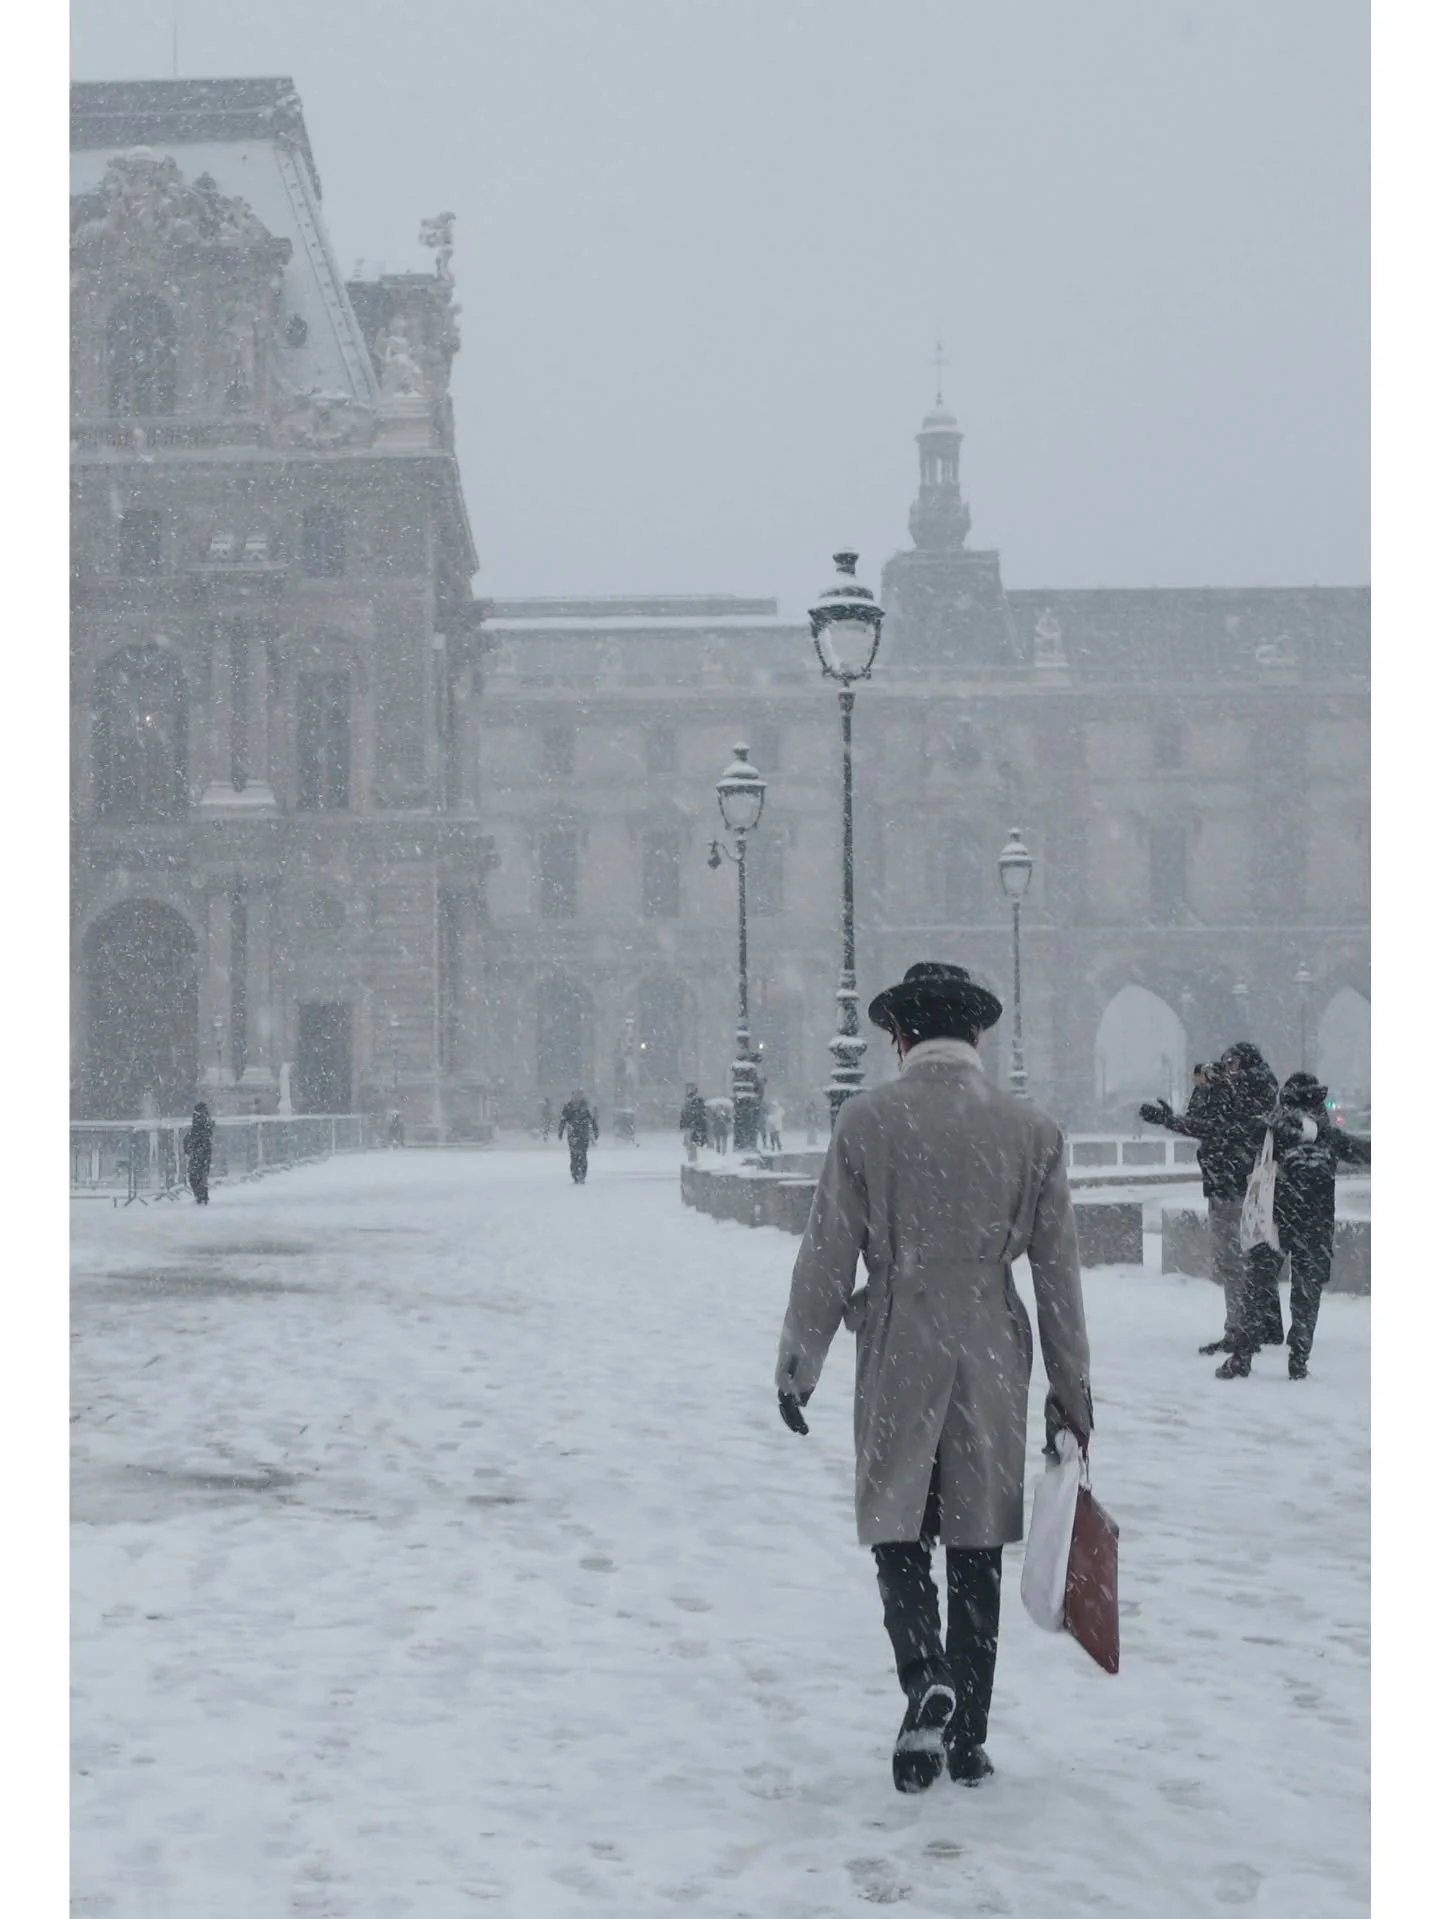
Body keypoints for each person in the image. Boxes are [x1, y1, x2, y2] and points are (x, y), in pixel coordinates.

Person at [774, 962, 1093, 1794]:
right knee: (977, 1538)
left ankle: (925, 1675)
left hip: (900, 1334)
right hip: (990, 1334)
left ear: (900, 1036)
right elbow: (1058, 1275)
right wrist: (1072, 1389)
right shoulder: (1033, 1130)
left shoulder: (868, 1122)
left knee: (898, 1523)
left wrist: (799, 1363)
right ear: (978, 1035)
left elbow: (826, 1251)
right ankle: (969, 1737)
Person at [1140, 1040, 1286, 1375]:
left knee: (1241, 1261)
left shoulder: (1256, 1090)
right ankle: (1242, 1329)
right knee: (1236, 1261)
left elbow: (1220, 1129)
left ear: (1247, 1066)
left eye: (1231, 1064)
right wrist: (1204, 1092)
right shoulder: (1234, 1090)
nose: (1225, 1070)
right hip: (1226, 1185)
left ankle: (1243, 1332)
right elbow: (1200, 1121)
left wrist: (1171, 1120)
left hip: (1241, 1185)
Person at [1269, 1072, 1371, 1378]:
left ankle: (1245, 1351)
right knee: (1307, 1289)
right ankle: (1299, 1350)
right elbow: (1364, 1152)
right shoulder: (1328, 1134)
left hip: (1278, 1219)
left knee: (1259, 1282)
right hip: (1316, 1223)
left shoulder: (1276, 1129)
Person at [557, 1089, 598, 1183]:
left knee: (583, 1154)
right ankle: (575, 1174)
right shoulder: (568, 1107)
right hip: (573, 1134)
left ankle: (582, 1174)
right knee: (574, 1155)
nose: (576, 1097)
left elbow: (592, 1119)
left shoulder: (585, 1107)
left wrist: (595, 1131)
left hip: (583, 1134)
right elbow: (563, 1120)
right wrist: (560, 1131)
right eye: (574, 1095)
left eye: (578, 1095)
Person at [181, 1100, 214, 1205]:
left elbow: (199, 1133)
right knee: (200, 1173)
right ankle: (202, 1195)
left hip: (199, 1149)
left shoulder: (200, 1120)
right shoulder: (205, 1120)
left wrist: (189, 1144)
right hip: (202, 1149)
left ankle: (201, 1196)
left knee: (196, 1174)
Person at [680, 1084, 708, 1164]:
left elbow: (698, 1114)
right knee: (689, 1142)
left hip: (692, 1126)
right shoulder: (691, 1103)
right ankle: (692, 1157)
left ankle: (692, 1158)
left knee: (691, 1142)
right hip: (691, 1125)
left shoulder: (695, 1102)